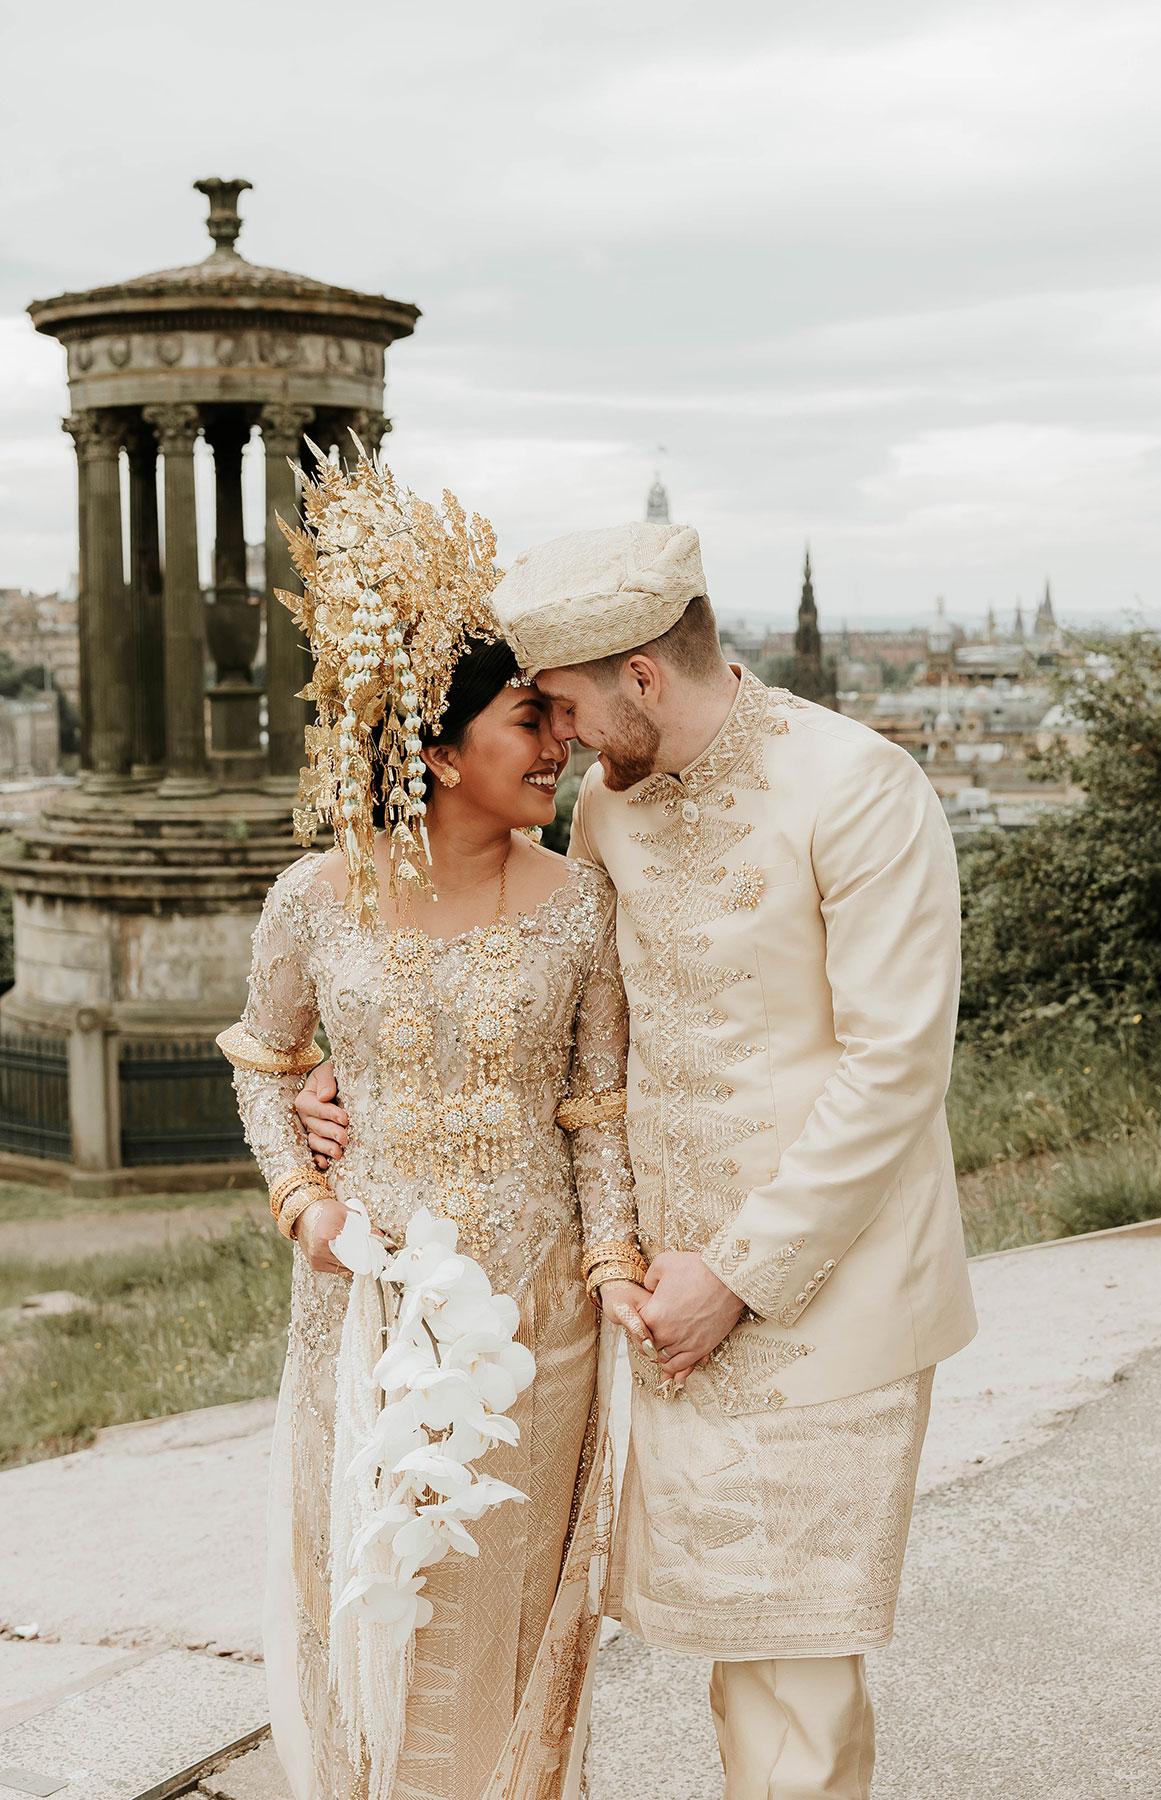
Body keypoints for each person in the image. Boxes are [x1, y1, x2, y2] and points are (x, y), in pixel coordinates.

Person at [299, 519, 978, 1800]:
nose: (557, 742)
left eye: (561, 706)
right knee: (733, 1639)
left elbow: (897, 1066)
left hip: (828, 1294)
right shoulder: (611, 808)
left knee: (797, 1664)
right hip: (658, 1304)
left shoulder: (862, 787)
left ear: (642, 677)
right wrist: (368, 1072)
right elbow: (560, 1002)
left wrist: (741, 1274)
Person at [218, 462, 648, 1800]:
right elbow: (263, 1059)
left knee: (515, 1611)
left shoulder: (578, 903)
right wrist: (306, 1201)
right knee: (384, 1600)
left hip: (541, 1323)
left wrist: (617, 1272)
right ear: (440, 745)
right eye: (531, 721)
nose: (559, 744)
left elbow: (595, 1114)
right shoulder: (312, 902)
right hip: (372, 1314)